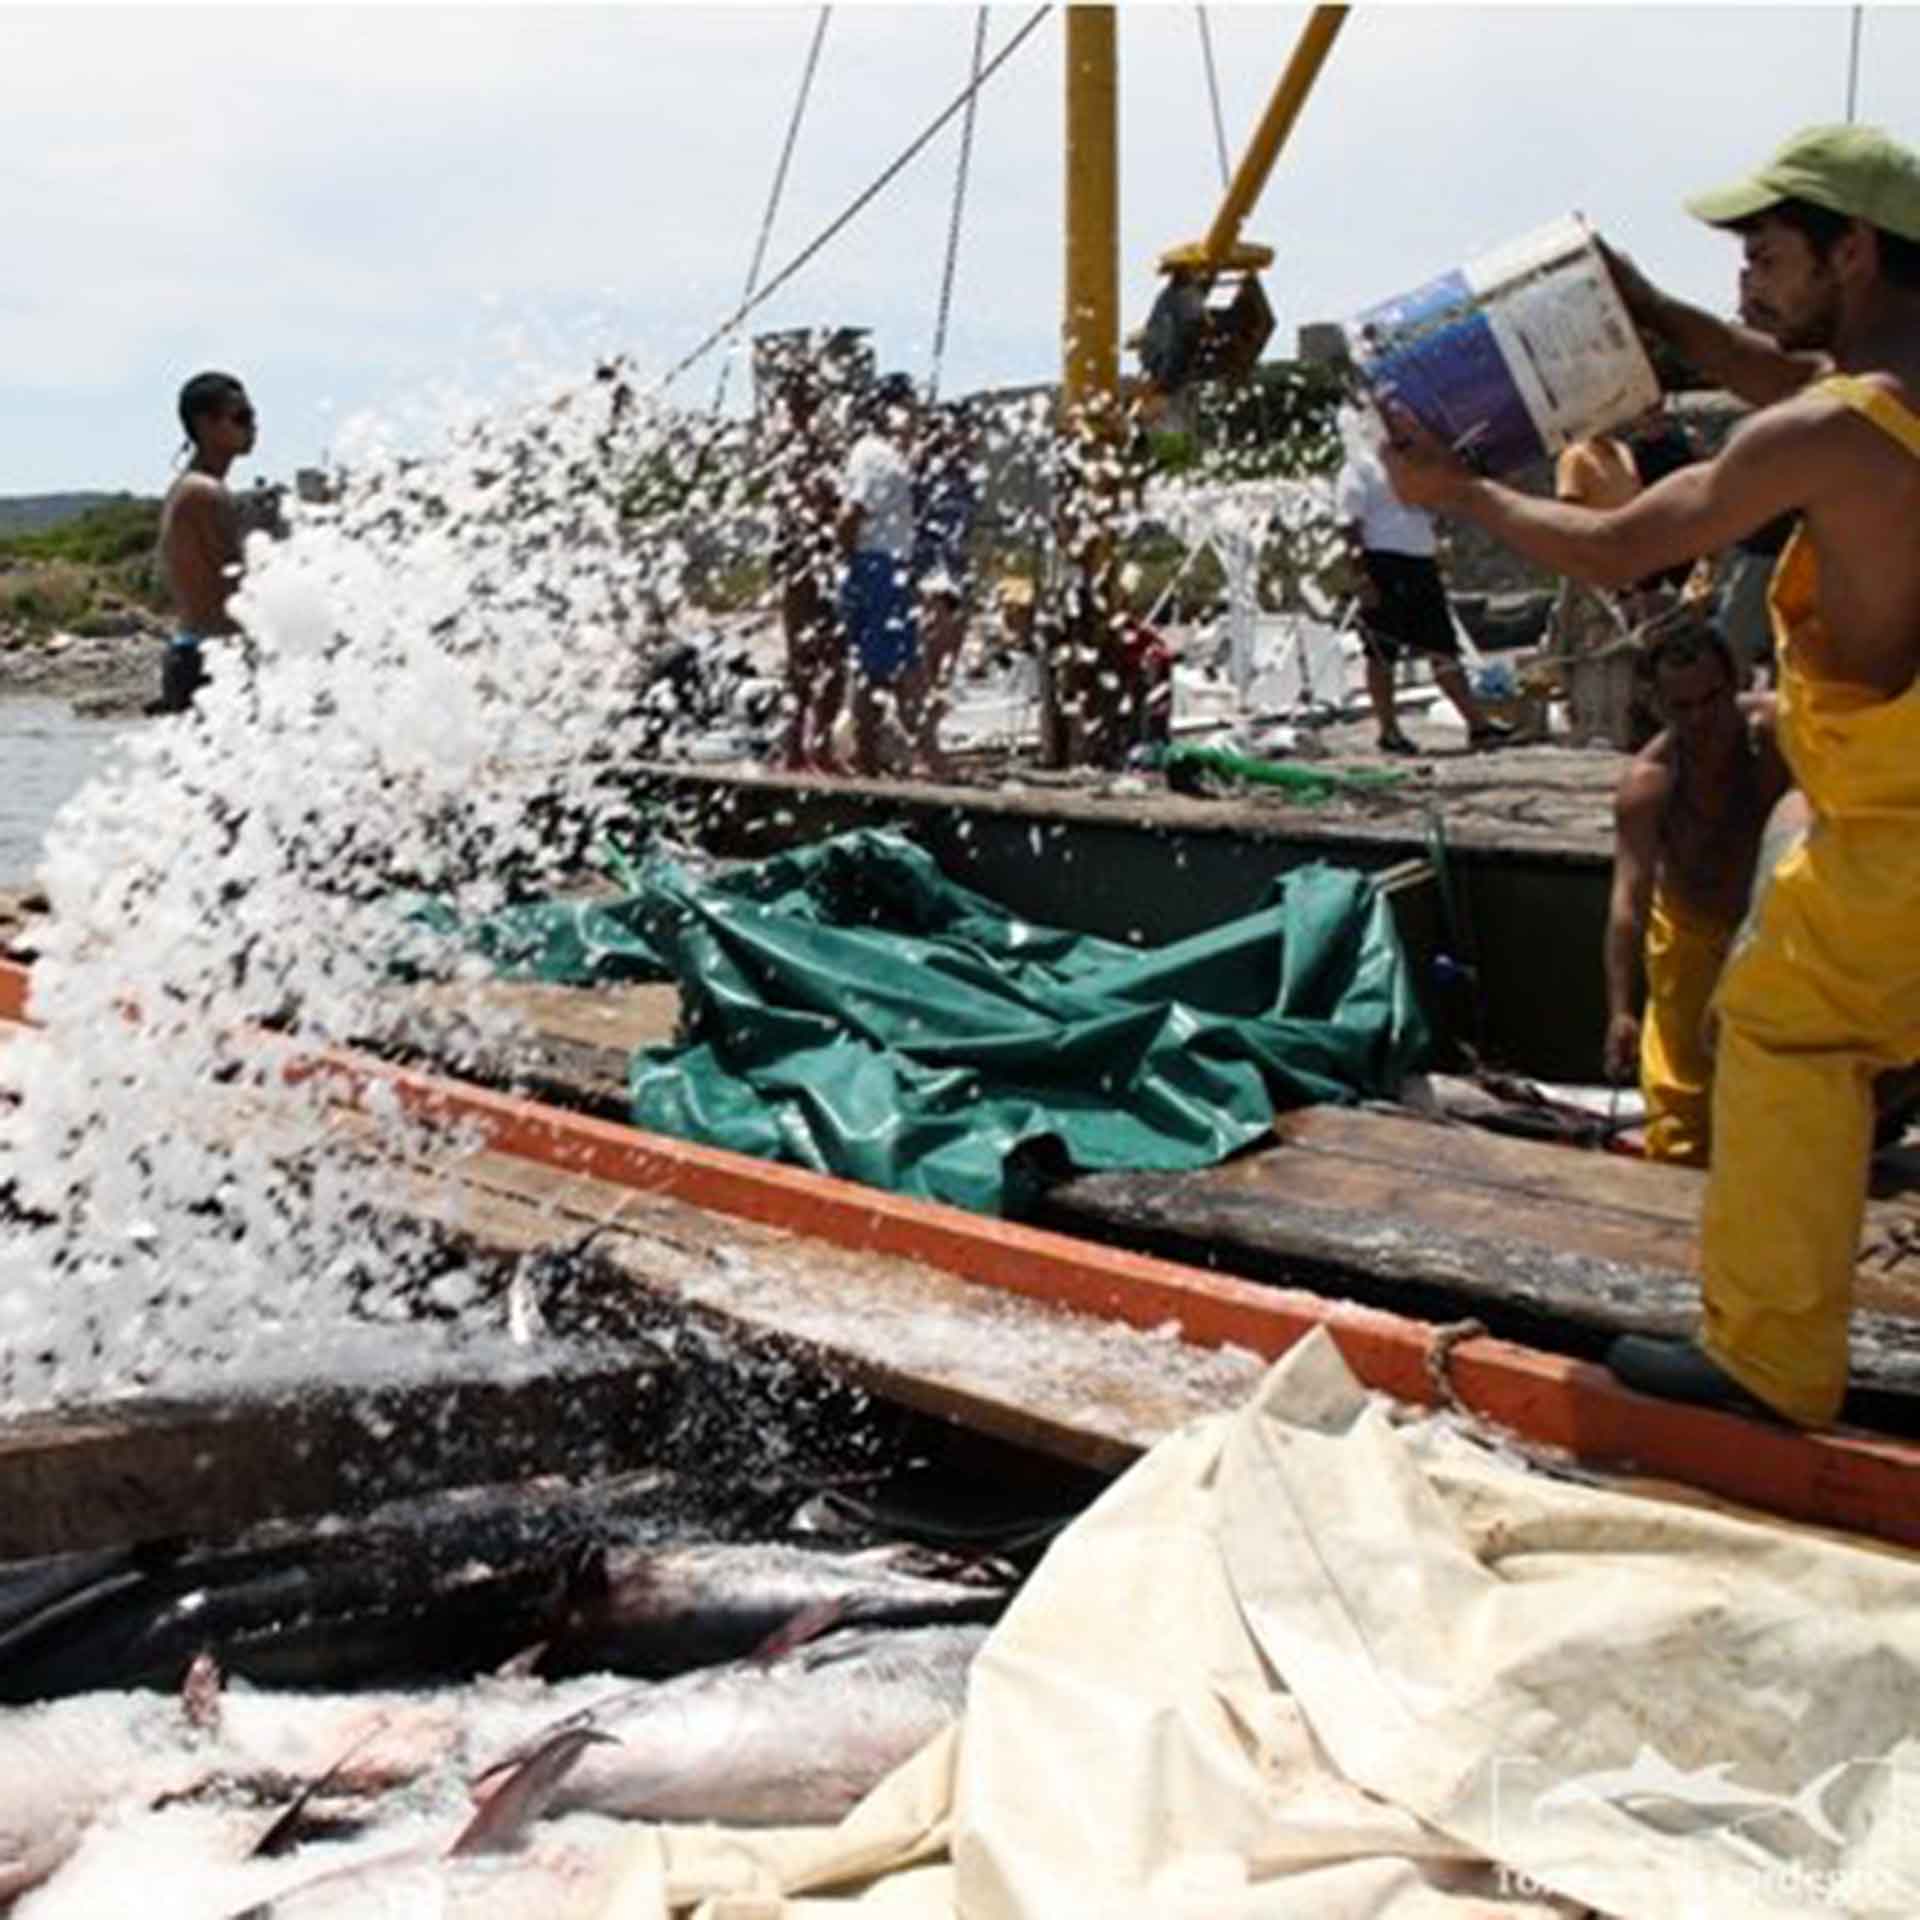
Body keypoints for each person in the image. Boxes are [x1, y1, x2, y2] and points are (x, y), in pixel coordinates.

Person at [1380, 124, 1920, 1427]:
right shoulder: (1878, 393)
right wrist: (1645, 305)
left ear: (1851, 252)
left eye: (1766, 255)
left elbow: (1621, 546)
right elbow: (1781, 371)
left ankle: (1771, 1361)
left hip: (1898, 826)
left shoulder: (1829, 433)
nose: (1745, 281)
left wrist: (1462, 497)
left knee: (1787, 1028)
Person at [1603, 619, 1788, 1167]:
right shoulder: (1648, 784)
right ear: (1658, 706)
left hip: (1777, 926)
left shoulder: (1778, 736)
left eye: (1712, 699)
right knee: (1681, 1106)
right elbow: (1628, 900)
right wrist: (1620, 1009)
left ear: (1736, 683)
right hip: (1690, 932)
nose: (1701, 719)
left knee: (1792, 1080)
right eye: (1681, 707)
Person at [1333, 410, 1512, 755]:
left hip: (1419, 563)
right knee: (1382, 653)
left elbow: (1430, 510)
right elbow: (1349, 525)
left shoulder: (1409, 464)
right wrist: (1362, 578)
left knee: (1442, 646)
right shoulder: (1358, 468)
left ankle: (1478, 725)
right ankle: (1389, 731)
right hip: (1382, 563)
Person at [836, 374, 925, 777]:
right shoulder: (873, 455)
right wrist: (850, 561)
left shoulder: (885, 454)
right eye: (910, 406)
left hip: (886, 565)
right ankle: (868, 755)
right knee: (877, 666)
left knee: (889, 664)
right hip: (878, 565)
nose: (916, 416)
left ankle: (887, 750)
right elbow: (852, 513)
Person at [154, 370, 256, 713]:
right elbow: (240, 584)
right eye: (240, 418)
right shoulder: (205, 493)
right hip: (210, 659)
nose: (252, 428)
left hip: (196, 654)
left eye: (252, 418)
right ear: (205, 424)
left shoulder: (191, 488)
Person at [766, 358, 846, 773]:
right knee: (804, 656)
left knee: (832, 655)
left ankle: (817, 742)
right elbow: (803, 503)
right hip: (800, 559)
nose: (808, 406)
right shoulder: (791, 449)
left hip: (822, 557)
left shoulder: (823, 448)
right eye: (801, 399)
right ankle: (798, 744)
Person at [903, 400, 982, 779]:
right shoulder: (925, 472)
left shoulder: (965, 476)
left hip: (954, 572)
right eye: (963, 431)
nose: (970, 439)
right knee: (929, 659)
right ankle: (922, 747)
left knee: (946, 664)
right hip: (928, 575)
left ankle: (928, 738)